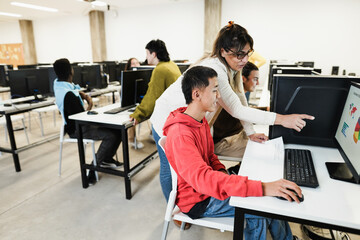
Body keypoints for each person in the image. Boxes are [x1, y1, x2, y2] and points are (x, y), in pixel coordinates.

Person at [150, 21, 314, 202]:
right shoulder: (215, 69)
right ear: (223, 51)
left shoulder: (230, 67)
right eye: (239, 55)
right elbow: (237, 109)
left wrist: (250, 132)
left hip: (193, 123)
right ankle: (174, 209)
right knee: (171, 170)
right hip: (167, 119)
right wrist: (282, 119)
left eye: (247, 53)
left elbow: (240, 100)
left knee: (194, 171)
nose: (244, 60)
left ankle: (193, 200)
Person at [163, 66, 301, 240]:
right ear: (196, 94)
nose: (219, 96)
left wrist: (222, 173)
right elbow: (203, 180)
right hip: (198, 201)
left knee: (267, 195)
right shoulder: (181, 134)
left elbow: (211, 156)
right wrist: (263, 187)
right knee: (259, 205)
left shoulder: (200, 120)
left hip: (208, 188)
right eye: (214, 91)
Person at [53, 58, 123, 184]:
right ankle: (92, 168)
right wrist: (90, 105)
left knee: (118, 130)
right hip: (78, 130)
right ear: (71, 71)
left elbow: (72, 88)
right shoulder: (69, 96)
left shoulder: (58, 85)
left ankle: (106, 159)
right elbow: (83, 118)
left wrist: (83, 94)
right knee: (112, 134)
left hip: (73, 125)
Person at [213, 61, 260, 159]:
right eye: (255, 79)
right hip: (223, 142)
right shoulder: (231, 97)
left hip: (236, 136)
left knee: (262, 142)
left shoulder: (237, 93)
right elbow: (243, 113)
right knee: (259, 153)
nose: (258, 83)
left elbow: (245, 113)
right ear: (243, 78)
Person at [129, 39, 181, 128]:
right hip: (178, 112)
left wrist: (138, 113)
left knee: (155, 128)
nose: (146, 57)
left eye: (147, 54)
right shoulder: (172, 64)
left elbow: (153, 96)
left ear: (153, 54)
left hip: (170, 117)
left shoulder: (160, 69)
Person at [124, 57, 144, 149]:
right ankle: (131, 139)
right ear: (129, 66)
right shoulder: (127, 78)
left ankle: (153, 134)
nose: (136, 65)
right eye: (133, 63)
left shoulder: (143, 75)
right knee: (132, 116)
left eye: (137, 62)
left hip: (142, 101)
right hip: (130, 104)